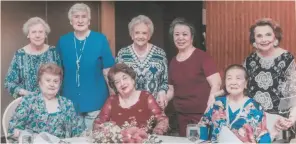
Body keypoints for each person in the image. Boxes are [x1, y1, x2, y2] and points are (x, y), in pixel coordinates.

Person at [56, 3, 115, 130]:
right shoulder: (63, 41)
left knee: (94, 138)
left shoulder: (100, 39)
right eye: (76, 17)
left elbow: (108, 70)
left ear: (89, 20)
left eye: (84, 16)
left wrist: (113, 96)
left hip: (96, 99)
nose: (80, 20)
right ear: (71, 21)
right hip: (69, 100)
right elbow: (58, 72)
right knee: (74, 139)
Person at [166, 17, 222, 137]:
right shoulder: (173, 62)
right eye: (177, 34)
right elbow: (171, 89)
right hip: (181, 116)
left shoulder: (202, 57)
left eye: (185, 34)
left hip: (201, 115)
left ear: (192, 37)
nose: (180, 38)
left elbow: (216, 83)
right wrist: (162, 100)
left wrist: (210, 104)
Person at [244, 18, 296, 139]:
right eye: (259, 36)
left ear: (275, 38)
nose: (264, 39)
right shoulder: (250, 60)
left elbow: (294, 93)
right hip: (253, 120)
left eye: (268, 34)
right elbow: (242, 86)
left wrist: (291, 118)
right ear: (254, 40)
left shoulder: (286, 58)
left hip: (279, 122)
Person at [7, 63, 85, 143]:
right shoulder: (28, 101)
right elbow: (13, 131)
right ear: (40, 82)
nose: (52, 84)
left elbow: (77, 132)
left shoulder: (67, 104)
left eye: (55, 81)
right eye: (48, 80)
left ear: (60, 84)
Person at [198, 64, 275, 143]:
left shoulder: (255, 107)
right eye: (229, 78)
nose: (233, 82)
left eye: (238, 78)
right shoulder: (217, 104)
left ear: (246, 83)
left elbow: (263, 135)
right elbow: (203, 124)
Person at [93, 63, 169, 135]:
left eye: (125, 78)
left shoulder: (146, 97)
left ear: (132, 79)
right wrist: (108, 134)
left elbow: (162, 119)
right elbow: (98, 123)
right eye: (117, 82)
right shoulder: (111, 101)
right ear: (114, 86)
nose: (122, 83)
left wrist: (156, 133)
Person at [116, 15, 168, 109]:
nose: (140, 36)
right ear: (131, 34)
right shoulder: (123, 54)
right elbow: (118, 81)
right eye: (137, 33)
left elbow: (164, 81)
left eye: (144, 33)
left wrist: (162, 92)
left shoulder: (160, 54)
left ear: (149, 35)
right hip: (128, 108)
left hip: (153, 108)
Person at [4, 17, 61, 98]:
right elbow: (9, 83)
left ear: (45, 35)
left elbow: (61, 77)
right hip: (27, 104)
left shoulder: (53, 52)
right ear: (28, 35)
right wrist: (25, 93)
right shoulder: (20, 55)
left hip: (50, 103)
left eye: (41, 32)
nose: (37, 35)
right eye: (33, 32)